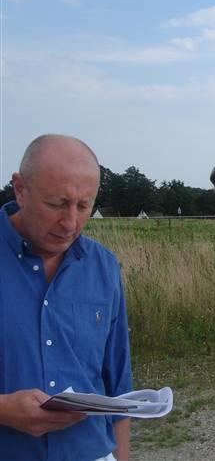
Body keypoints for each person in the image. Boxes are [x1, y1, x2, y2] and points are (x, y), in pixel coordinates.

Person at [0, 134, 133, 461]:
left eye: (84, 206)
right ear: (20, 189)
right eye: (56, 204)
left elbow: (118, 384)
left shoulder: (104, 266)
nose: (70, 222)